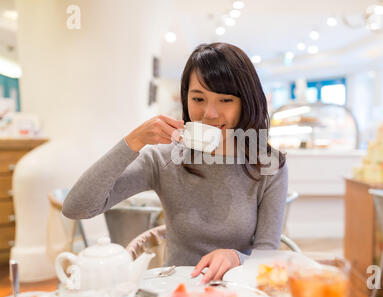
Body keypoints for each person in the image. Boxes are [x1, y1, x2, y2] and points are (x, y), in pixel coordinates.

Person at [62, 42, 288, 284]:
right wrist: (133, 141)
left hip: (240, 292)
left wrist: (236, 258)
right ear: (185, 99)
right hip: (175, 289)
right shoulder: (165, 159)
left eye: (225, 100)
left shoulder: (268, 165)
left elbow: (267, 255)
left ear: (246, 101)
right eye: (198, 98)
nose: (210, 113)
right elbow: (76, 207)